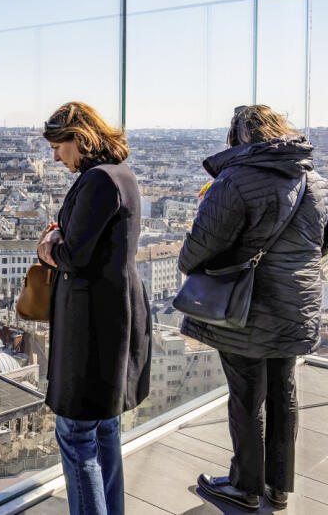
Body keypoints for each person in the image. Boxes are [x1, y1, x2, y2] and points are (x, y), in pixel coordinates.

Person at [179, 105, 327, 512]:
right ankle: (279, 487)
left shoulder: (236, 180)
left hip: (246, 306)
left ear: (239, 137)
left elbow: (199, 249)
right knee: (284, 391)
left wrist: (190, 257)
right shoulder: (315, 181)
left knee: (247, 397)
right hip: (297, 303)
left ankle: (245, 487)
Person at [38, 102, 152, 515]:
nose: (55, 156)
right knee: (104, 429)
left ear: (80, 139)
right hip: (115, 313)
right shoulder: (122, 175)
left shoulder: (98, 181)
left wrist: (48, 247)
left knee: (75, 433)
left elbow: (74, 256)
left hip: (94, 322)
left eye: (58, 146)